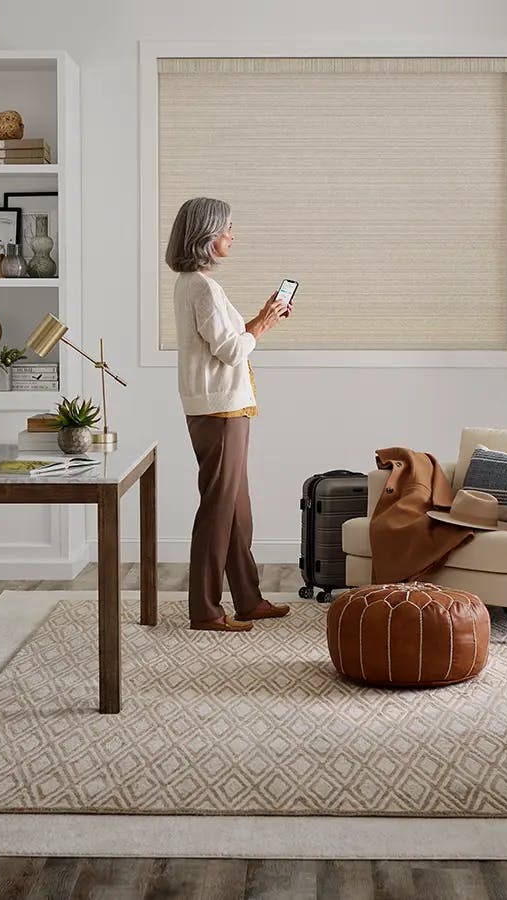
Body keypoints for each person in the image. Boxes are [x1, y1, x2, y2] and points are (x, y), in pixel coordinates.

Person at [166, 197, 291, 632]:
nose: (232, 236)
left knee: (237, 508)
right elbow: (234, 349)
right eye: (227, 229)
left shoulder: (193, 284)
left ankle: (248, 599)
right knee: (219, 509)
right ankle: (204, 609)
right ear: (206, 235)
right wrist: (264, 323)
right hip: (220, 409)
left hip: (221, 406)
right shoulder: (203, 288)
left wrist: (259, 316)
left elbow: (226, 339)